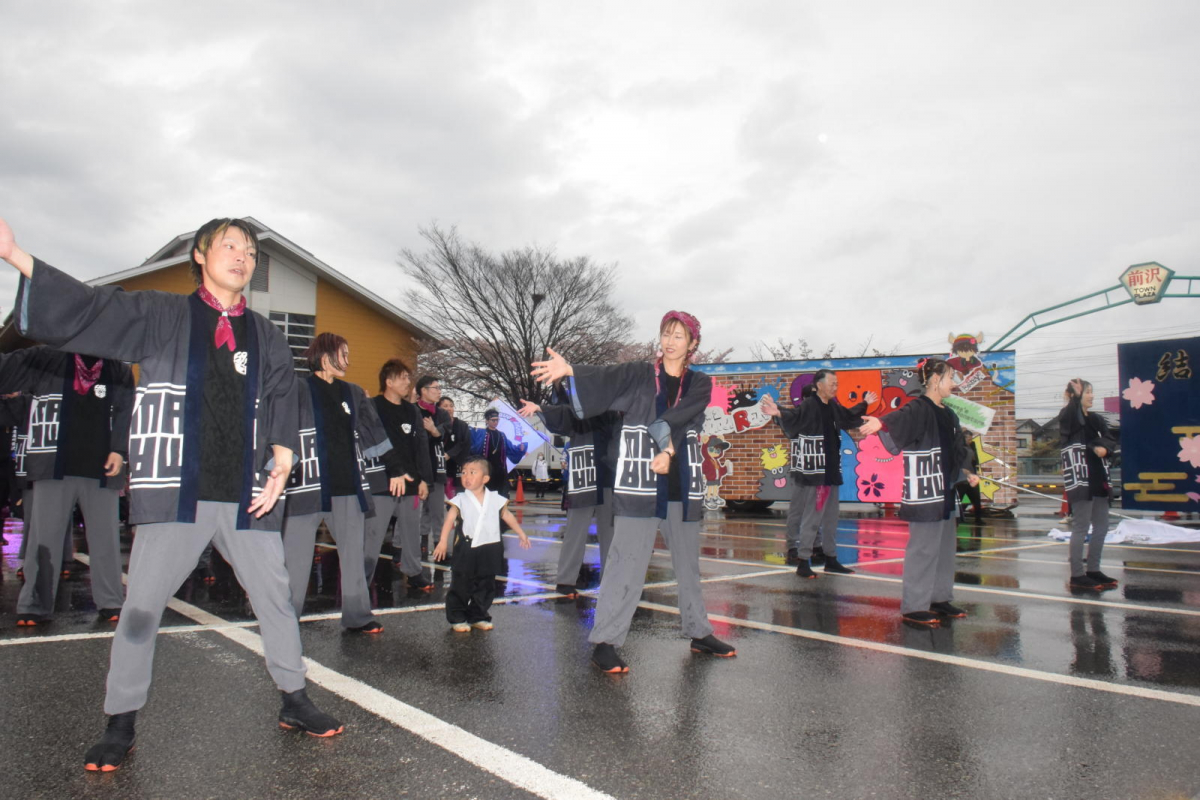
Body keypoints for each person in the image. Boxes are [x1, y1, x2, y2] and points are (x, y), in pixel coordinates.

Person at [0, 216, 344, 771]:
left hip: (246, 494)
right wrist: (18, 257)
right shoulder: (162, 314)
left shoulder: (266, 334)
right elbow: (92, 309)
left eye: (250, 250)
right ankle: (121, 721)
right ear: (201, 255)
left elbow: (284, 397)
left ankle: (294, 699)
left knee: (276, 601)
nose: (242, 256)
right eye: (229, 245)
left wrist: (284, 456)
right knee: (140, 609)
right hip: (176, 489)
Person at [531, 310, 736, 673]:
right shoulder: (640, 375)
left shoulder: (700, 383)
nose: (670, 342)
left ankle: (699, 631)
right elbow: (608, 377)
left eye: (679, 336)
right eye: (666, 334)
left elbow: (678, 418)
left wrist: (668, 448)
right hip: (640, 481)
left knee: (688, 565)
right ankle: (605, 642)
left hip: (682, 484)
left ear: (693, 344)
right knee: (625, 562)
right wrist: (572, 370)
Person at [0, 347, 133, 625]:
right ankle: (34, 605)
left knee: (105, 540)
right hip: (53, 466)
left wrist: (119, 450)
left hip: (102, 470)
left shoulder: (118, 369)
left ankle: (111, 602)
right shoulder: (48, 360)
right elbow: (9, 371)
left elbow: (125, 412)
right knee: (43, 540)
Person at [281, 333, 392, 633]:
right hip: (306, 484)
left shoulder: (354, 393)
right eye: (344, 354)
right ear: (326, 355)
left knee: (353, 555)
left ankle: (358, 616)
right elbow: (278, 426)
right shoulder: (297, 389)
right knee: (296, 558)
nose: (348, 360)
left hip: (347, 485)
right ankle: (286, 619)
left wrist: (392, 473)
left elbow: (372, 435)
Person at [876, 358, 979, 627]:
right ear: (935, 380)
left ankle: (939, 597)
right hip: (925, 488)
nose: (954, 384)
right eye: (950, 378)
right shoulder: (918, 408)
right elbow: (897, 420)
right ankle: (914, 606)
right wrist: (880, 424)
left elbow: (960, 448)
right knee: (922, 548)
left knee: (945, 548)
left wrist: (967, 471)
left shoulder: (949, 413)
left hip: (945, 488)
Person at [761, 371, 875, 578]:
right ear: (818, 386)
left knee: (831, 518)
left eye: (836, 383)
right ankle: (803, 561)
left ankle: (831, 559)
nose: (835, 387)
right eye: (832, 383)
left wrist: (864, 404)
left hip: (831, 471)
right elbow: (794, 417)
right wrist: (778, 413)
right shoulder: (809, 405)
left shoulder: (831, 406)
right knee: (812, 517)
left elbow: (848, 417)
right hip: (816, 473)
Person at [518, 394, 620, 597]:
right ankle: (565, 581)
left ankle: (611, 582)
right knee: (575, 531)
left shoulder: (615, 411)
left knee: (610, 533)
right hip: (584, 476)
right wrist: (541, 408)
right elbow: (562, 416)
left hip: (609, 476)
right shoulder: (579, 410)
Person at [431, 456, 531, 631]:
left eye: (472, 472)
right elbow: (449, 520)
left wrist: (521, 534)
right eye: (464, 473)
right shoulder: (459, 499)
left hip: (490, 546)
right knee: (461, 583)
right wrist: (442, 541)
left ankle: (478, 615)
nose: (466, 476)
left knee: (486, 584)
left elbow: (507, 516)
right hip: (466, 547)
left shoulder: (495, 499)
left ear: (485, 479)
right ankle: (457, 617)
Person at [362, 358, 433, 591]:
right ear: (389, 381)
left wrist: (424, 480)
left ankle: (413, 572)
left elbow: (420, 447)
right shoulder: (372, 406)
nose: (407, 383)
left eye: (408, 378)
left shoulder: (411, 411)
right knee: (373, 533)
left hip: (411, 482)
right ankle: (362, 576)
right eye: (403, 378)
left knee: (411, 532)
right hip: (382, 482)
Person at [1056, 378, 1119, 591]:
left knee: (1101, 525)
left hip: (1099, 475)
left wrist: (1104, 448)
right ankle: (1077, 574)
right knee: (1081, 526)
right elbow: (1075, 423)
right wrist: (1074, 397)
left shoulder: (1097, 419)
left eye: (1092, 392)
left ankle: (1093, 569)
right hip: (1081, 478)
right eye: (1088, 392)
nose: (1092, 396)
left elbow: (1110, 438)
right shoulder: (1067, 416)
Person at [415, 375, 452, 556]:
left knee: (437, 511)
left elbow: (444, 432)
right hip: (415, 468)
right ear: (423, 390)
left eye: (439, 388)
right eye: (435, 388)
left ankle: (439, 546)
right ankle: (410, 546)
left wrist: (434, 430)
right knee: (413, 511)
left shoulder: (442, 413)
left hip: (436, 467)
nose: (439, 391)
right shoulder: (412, 410)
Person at [470, 408, 529, 497]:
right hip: (486, 470)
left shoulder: (502, 435)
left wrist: (520, 448)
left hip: (500, 470)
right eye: (493, 420)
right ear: (487, 420)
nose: (495, 422)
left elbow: (510, 448)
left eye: (497, 420)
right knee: (485, 495)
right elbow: (473, 444)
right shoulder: (481, 433)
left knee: (500, 495)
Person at [437, 395, 472, 495]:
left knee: (457, 497)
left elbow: (465, 443)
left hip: (456, 465)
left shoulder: (462, 425)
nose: (449, 408)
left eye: (451, 406)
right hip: (440, 464)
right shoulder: (436, 424)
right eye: (445, 406)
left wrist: (450, 454)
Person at [955, 432, 984, 523]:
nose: (970, 441)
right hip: (962, 478)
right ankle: (957, 519)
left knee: (976, 499)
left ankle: (978, 519)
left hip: (971, 476)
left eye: (971, 439)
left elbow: (974, 461)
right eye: (968, 439)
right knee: (959, 499)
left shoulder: (971, 447)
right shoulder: (958, 448)